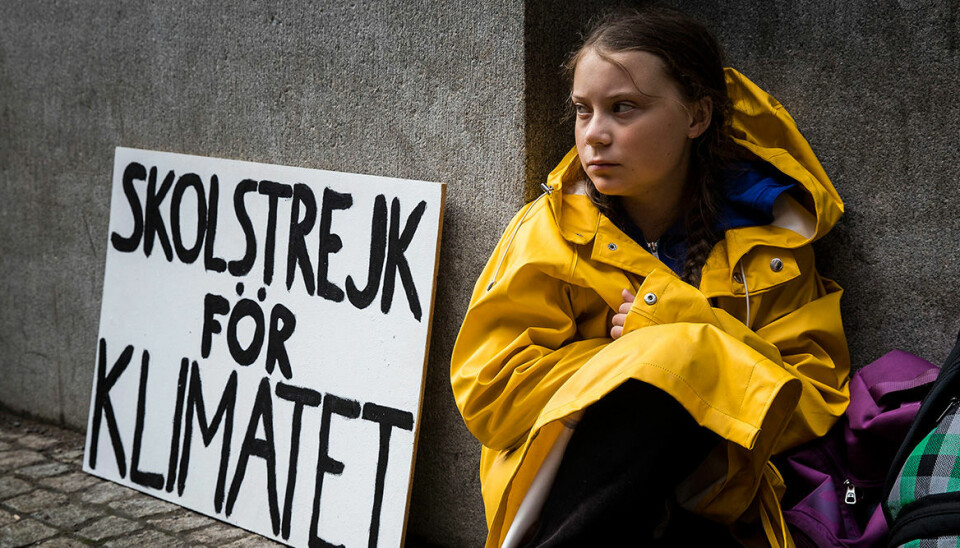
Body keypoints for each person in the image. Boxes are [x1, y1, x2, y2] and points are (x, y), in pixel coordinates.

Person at [450, 6, 850, 547]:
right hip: (564, 499)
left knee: (678, 357)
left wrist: (687, 326)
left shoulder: (772, 238)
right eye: (582, 110)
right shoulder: (552, 228)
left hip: (716, 500)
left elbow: (812, 397)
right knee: (663, 366)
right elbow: (490, 394)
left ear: (696, 116)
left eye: (623, 109)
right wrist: (636, 358)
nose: (594, 135)